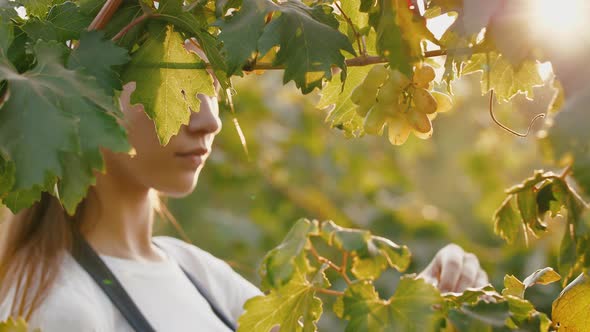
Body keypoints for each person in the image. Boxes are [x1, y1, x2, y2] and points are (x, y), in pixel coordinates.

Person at [0, 78, 488, 331]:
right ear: (85, 100)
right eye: (175, 89)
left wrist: (425, 297)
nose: (209, 119)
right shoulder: (61, 307)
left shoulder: (190, 268)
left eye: (209, 84)